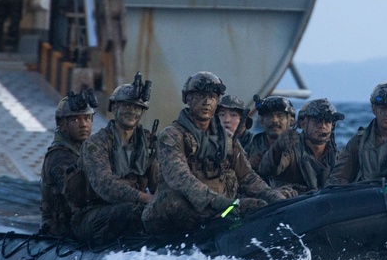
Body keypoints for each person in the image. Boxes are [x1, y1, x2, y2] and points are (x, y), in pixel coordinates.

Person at [142, 72, 286, 235]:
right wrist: (218, 201)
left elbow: (247, 177)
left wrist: (275, 198)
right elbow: (179, 178)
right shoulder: (172, 136)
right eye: (200, 96)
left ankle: (227, 231)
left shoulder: (227, 139)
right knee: (170, 201)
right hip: (179, 212)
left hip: (217, 212)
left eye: (212, 97)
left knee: (258, 206)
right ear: (187, 98)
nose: (206, 102)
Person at [71, 74, 159, 246]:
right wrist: (144, 197)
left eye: (137, 108)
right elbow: (104, 185)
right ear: (114, 107)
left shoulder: (148, 143)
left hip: (134, 208)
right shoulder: (96, 143)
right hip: (91, 214)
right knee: (133, 212)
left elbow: (158, 180)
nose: (132, 111)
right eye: (126, 105)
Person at [40, 90, 96, 237]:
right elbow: (78, 194)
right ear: (62, 124)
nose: (83, 125)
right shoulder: (59, 156)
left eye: (87, 118)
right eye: (75, 120)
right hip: (62, 230)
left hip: (82, 222)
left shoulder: (88, 150)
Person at [258, 98, 344, 194]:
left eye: (328, 121)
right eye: (317, 121)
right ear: (303, 124)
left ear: (333, 126)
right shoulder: (291, 150)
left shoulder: (337, 157)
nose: (322, 126)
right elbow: (267, 169)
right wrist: (277, 149)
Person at [245, 94, 295, 169]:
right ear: (262, 121)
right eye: (269, 116)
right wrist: (247, 166)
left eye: (280, 115)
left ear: (291, 121)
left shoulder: (302, 147)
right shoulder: (249, 148)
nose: (274, 120)